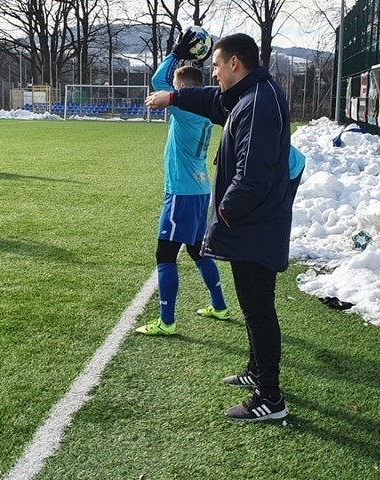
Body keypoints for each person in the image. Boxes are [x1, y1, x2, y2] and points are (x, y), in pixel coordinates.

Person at [145, 33, 292, 421]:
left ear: (234, 64)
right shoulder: (248, 94)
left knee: (259, 309)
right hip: (255, 222)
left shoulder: (258, 102)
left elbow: (253, 177)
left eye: (216, 65)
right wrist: (174, 97)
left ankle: (271, 399)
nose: (214, 73)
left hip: (254, 224)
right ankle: (256, 371)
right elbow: (211, 100)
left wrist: (222, 216)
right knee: (252, 305)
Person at [135, 30, 230, 336]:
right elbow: (166, 85)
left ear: (186, 91)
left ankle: (167, 321)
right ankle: (219, 305)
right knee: (195, 251)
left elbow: (157, 83)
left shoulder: (187, 107)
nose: (170, 94)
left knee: (164, 255)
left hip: (182, 193)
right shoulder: (203, 109)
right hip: (199, 189)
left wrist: (177, 52)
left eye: (177, 89)